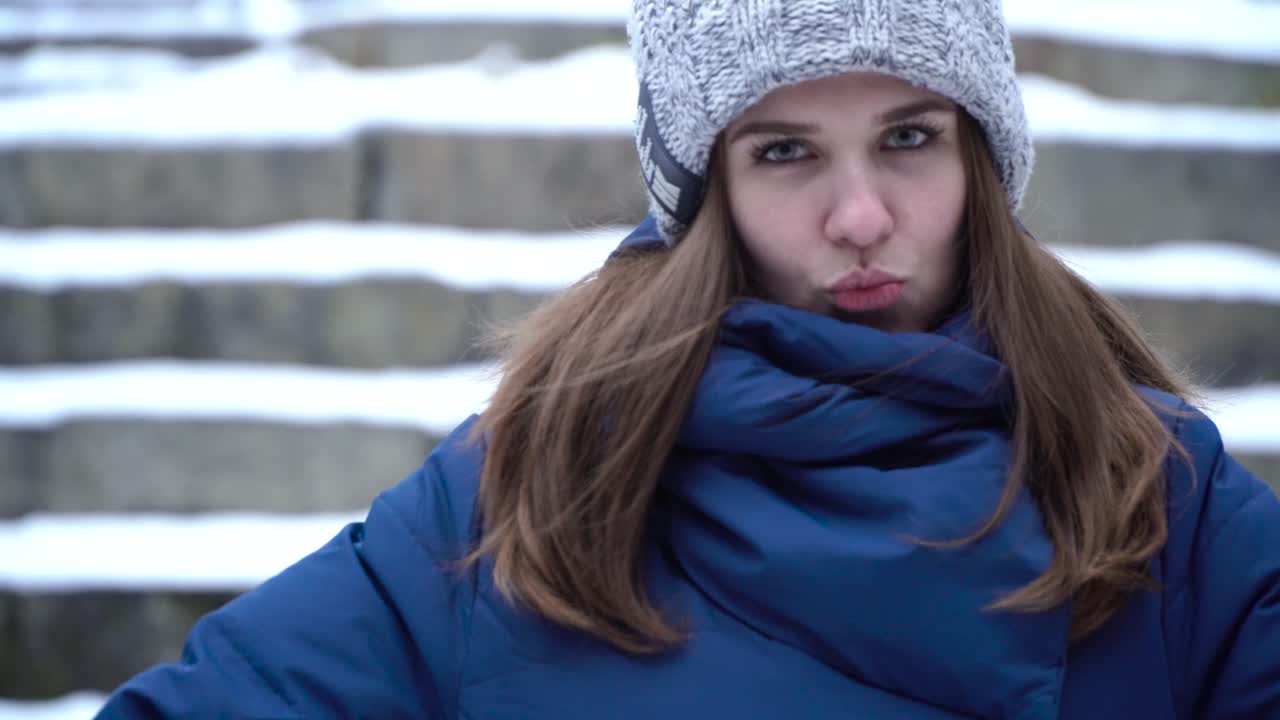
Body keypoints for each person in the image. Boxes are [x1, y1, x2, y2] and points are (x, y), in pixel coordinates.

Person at [97, 1, 1280, 718]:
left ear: (982, 157)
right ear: (702, 189)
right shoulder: (531, 492)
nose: (860, 216)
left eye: (909, 137)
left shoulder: (1160, 497)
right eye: (783, 152)